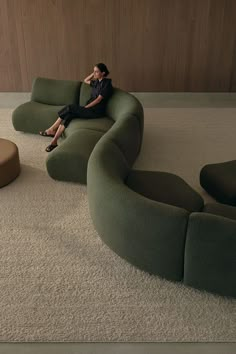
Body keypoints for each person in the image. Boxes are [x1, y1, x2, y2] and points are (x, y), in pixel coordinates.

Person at [39, 63, 113, 152]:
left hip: (96, 111)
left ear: (103, 73)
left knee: (70, 107)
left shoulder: (106, 84)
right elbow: (86, 80)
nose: (94, 73)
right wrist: (93, 73)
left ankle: (51, 129)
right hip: (90, 108)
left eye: (97, 72)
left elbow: (98, 100)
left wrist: (86, 107)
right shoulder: (96, 82)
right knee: (68, 115)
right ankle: (54, 142)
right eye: (94, 71)